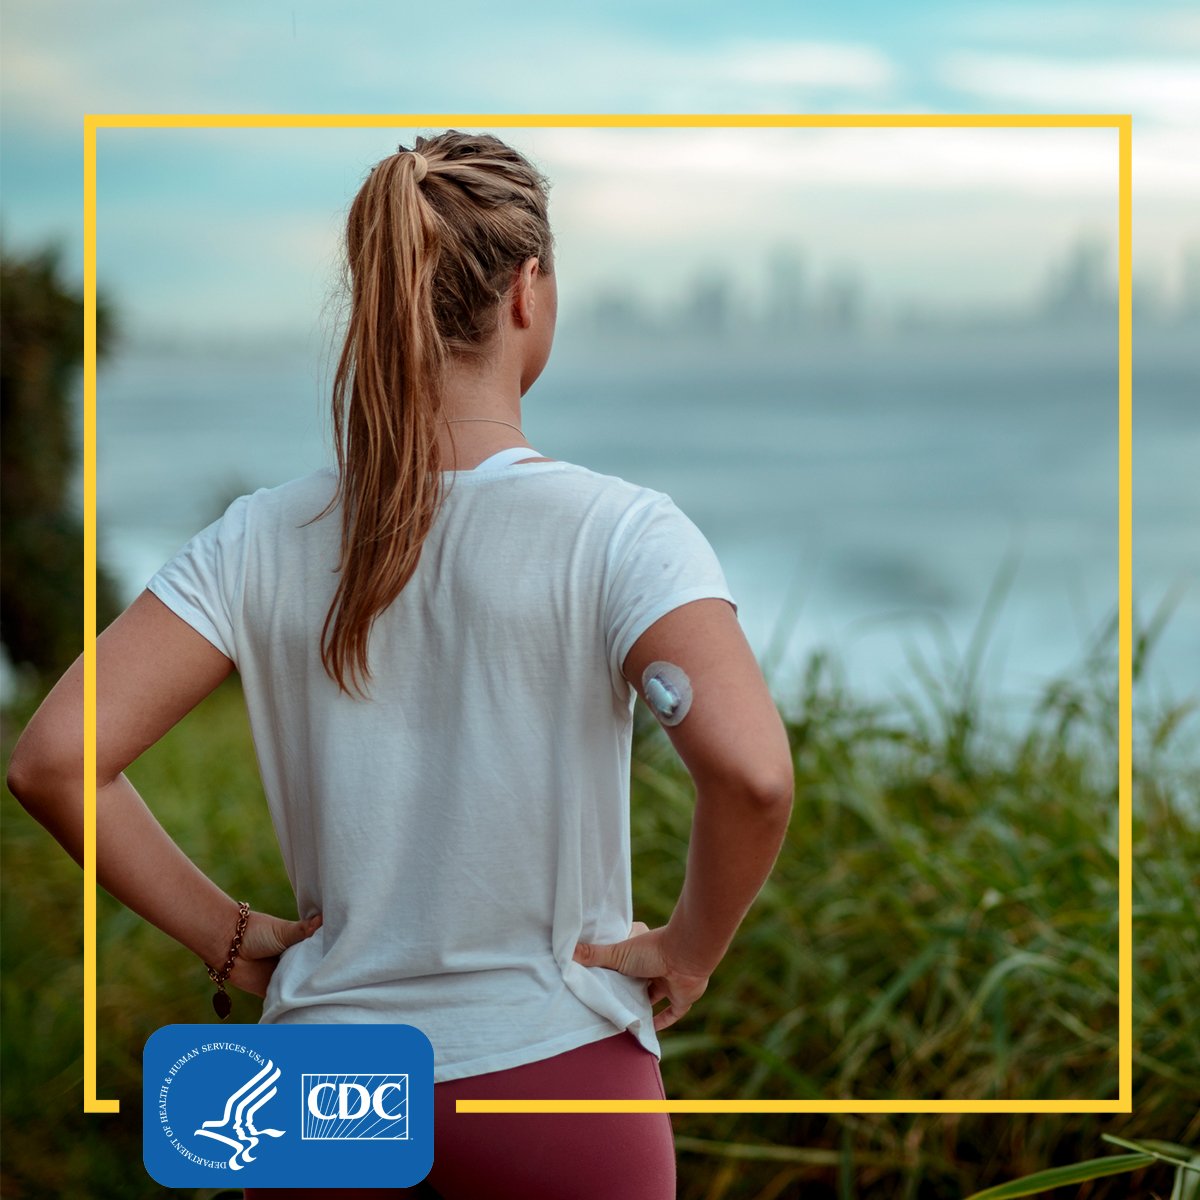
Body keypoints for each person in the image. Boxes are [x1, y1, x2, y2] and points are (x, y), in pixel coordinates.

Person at [7, 130, 794, 1199]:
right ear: (527, 292)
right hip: (555, 1087)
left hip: (317, 1098)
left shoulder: (260, 537)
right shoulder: (622, 533)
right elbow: (752, 776)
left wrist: (233, 942)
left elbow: (55, 757)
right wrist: (689, 948)